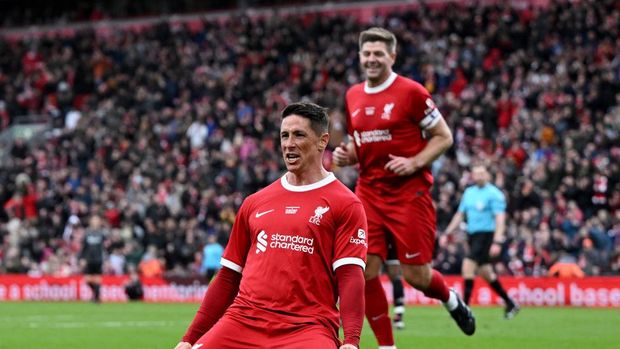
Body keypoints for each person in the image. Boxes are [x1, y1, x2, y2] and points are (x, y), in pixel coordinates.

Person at [174, 102, 368, 349]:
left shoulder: (346, 204)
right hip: (242, 321)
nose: (289, 144)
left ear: (322, 141)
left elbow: (351, 276)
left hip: (306, 328)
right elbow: (228, 277)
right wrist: (189, 339)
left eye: (299, 135)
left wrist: (351, 341)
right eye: (284, 135)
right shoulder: (255, 202)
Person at [333, 27, 475, 348]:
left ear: (392, 57)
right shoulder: (352, 95)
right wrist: (347, 154)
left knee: (416, 276)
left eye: (378, 54)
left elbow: (444, 136)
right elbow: (362, 145)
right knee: (364, 270)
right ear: (359, 56)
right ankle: (387, 345)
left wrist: (414, 162)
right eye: (366, 53)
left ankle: (451, 299)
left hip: (409, 194)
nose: (371, 59)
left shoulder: (411, 92)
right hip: (368, 193)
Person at [444, 164, 519, 319]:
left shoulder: (494, 194)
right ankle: (510, 303)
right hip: (472, 235)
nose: (479, 176)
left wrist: (497, 240)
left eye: (481, 173)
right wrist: (447, 232)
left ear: (487, 175)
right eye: (476, 174)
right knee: (486, 273)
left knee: (467, 267)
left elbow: (500, 218)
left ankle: (464, 308)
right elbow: (460, 214)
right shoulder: (469, 193)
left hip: (486, 235)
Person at [80, 214, 106, 303]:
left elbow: (104, 247)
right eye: (94, 220)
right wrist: (82, 258)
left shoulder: (102, 233)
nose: (95, 222)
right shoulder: (87, 232)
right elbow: (84, 247)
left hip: (98, 259)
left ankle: (97, 298)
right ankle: (96, 294)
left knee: (97, 278)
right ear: (90, 221)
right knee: (87, 279)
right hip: (88, 259)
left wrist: (106, 259)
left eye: (97, 220)